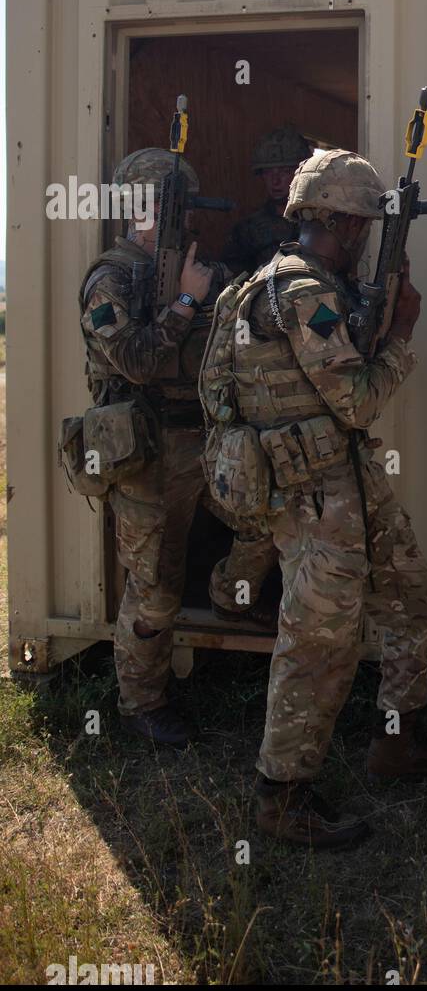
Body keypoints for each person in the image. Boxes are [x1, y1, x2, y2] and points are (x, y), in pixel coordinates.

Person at [209, 149, 427, 848]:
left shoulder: (281, 282)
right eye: (362, 224)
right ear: (341, 224)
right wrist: (402, 334)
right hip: (313, 495)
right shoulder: (298, 290)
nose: (364, 238)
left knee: (416, 601)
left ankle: (396, 741)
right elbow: (354, 400)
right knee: (317, 646)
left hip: (340, 482)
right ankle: (281, 797)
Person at [79, 148, 278, 747]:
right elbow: (136, 362)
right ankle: (141, 702)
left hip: (207, 436)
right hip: (146, 448)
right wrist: (184, 301)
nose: (180, 217)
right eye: (169, 204)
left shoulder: (200, 265)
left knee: (265, 519)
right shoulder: (108, 278)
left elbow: (246, 322)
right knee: (155, 586)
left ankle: (228, 597)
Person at [220, 126, 312, 275]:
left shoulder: (319, 222)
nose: (275, 181)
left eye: (285, 171)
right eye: (268, 172)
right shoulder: (248, 230)